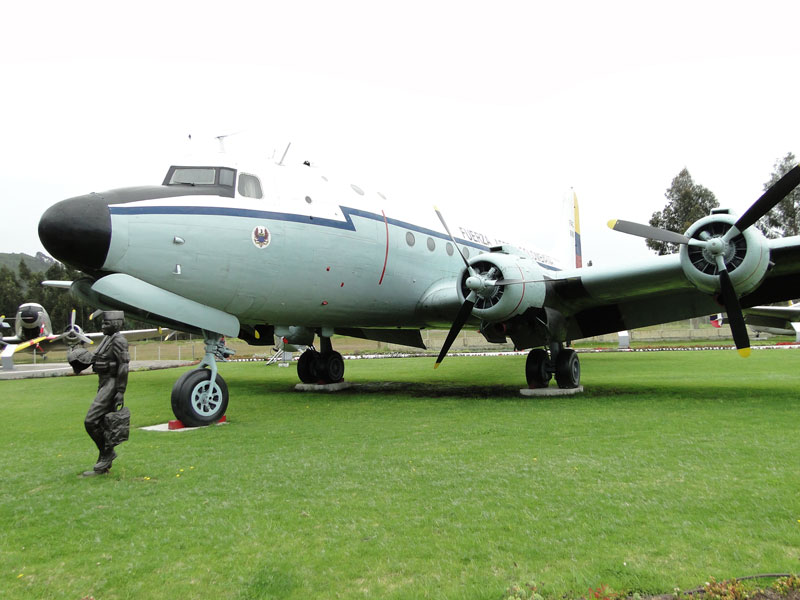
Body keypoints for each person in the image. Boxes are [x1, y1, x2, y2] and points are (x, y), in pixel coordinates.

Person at [68, 311, 130, 476]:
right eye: (102, 323)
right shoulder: (107, 339)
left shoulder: (119, 341)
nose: (102, 326)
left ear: (116, 324)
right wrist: (79, 358)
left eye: (106, 324)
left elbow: (124, 366)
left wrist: (120, 391)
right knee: (101, 423)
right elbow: (96, 357)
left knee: (91, 421)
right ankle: (104, 461)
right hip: (103, 382)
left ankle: (107, 452)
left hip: (111, 383)